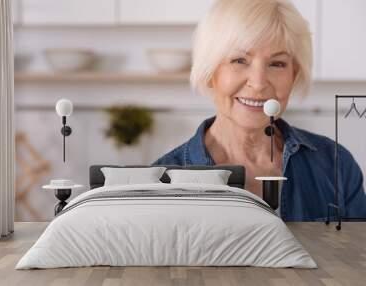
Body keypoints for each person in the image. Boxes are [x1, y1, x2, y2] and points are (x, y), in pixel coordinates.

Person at [152, 0, 366, 221]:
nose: (259, 82)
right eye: (239, 60)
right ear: (210, 72)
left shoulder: (336, 165)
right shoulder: (160, 183)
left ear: (294, 75)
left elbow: (357, 254)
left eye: (277, 64)